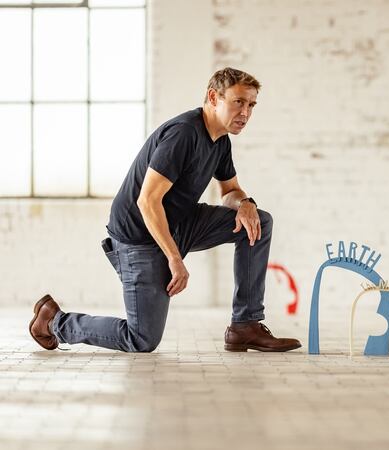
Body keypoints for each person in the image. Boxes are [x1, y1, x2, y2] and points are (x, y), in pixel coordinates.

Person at [29, 67, 301, 353]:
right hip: (139, 237)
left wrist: (246, 204)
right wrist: (174, 258)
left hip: (180, 222)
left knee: (259, 222)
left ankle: (245, 325)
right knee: (142, 339)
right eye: (238, 102)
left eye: (251, 105)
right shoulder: (184, 133)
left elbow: (229, 192)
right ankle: (54, 322)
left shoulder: (221, 141)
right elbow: (147, 201)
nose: (245, 113)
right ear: (213, 97)